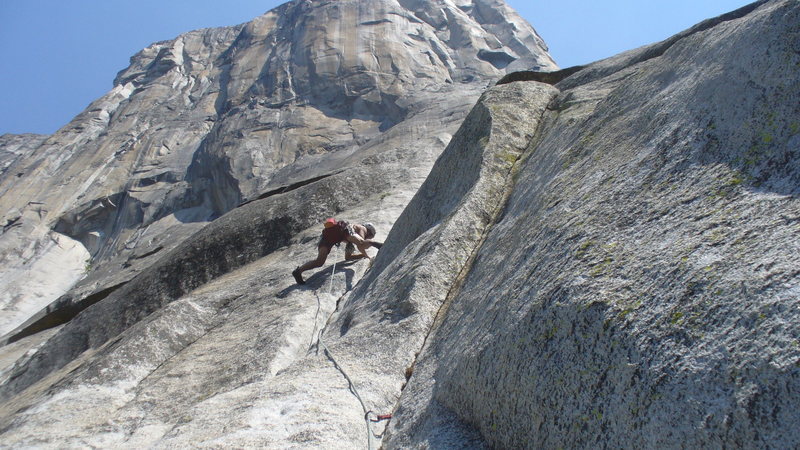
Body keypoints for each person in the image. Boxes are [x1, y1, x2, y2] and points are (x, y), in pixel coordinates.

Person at [292, 218, 383, 285]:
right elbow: (361, 244)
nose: (368, 238)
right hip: (344, 232)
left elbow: (348, 257)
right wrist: (367, 256)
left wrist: (361, 256)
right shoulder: (362, 228)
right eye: (370, 237)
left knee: (319, 262)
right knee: (361, 242)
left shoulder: (349, 241)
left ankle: (298, 271)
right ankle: (379, 245)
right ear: (370, 231)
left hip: (326, 238)